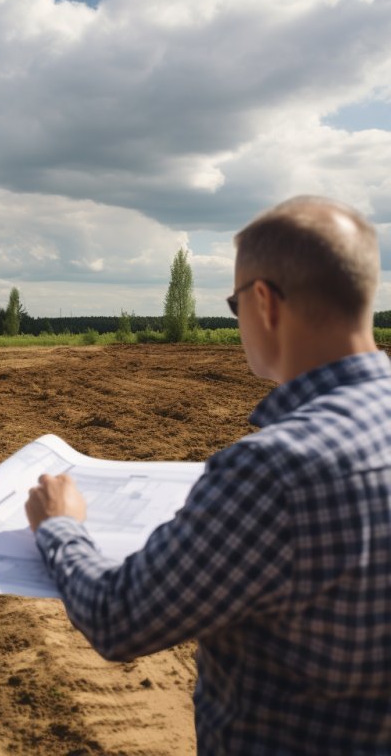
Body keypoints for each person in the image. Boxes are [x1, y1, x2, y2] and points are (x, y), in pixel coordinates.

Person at [25, 196, 391, 755]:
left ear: (263, 302)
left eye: (234, 303)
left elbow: (119, 618)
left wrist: (60, 527)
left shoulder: (273, 471)